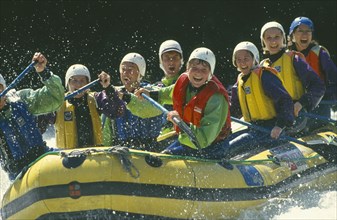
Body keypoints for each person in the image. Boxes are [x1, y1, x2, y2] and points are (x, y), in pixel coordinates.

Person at [133, 47, 232, 159]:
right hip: (189, 139)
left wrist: (180, 122)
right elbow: (167, 93)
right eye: (194, 68)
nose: (198, 73)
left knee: (167, 158)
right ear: (187, 69)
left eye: (204, 69)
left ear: (210, 73)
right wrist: (151, 93)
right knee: (161, 157)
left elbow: (203, 140)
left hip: (213, 146)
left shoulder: (215, 98)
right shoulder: (184, 82)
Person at [0, 52, 64, 180]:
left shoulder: (21, 99)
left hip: (42, 157)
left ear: (4, 88)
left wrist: (43, 72)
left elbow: (55, 98)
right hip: (18, 175)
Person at [228, 41, 295, 157]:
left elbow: (285, 100)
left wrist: (280, 125)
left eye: (246, 58)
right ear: (235, 62)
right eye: (238, 59)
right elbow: (234, 110)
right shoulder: (239, 83)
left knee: (229, 148)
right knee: (227, 143)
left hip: (270, 128)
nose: (242, 62)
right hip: (254, 128)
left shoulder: (265, 76)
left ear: (255, 59)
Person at [259, 21, 325, 135]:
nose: (273, 41)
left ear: (283, 39)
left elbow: (318, 86)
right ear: (263, 41)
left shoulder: (294, 59)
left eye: (277, 37)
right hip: (273, 118)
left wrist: (301, 103)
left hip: (296, 115)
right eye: (268, 38)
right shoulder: (261, 67)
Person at [101, 53, 164, 151]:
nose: (125, 73)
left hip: (150, 149)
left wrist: (123, 96)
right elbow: (106, 131)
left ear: (140, 73)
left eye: (130, 69)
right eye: (123, 69)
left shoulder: (151, 92)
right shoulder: (114, 94)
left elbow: (145, 108)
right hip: (122, 149)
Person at [287, 16, 337, 129]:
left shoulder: (319, 53)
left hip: (318, 105)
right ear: (292, 36)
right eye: (300, 31)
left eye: (308, 31)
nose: (304, 34)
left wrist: (328, 98)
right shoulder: (286, 57)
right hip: (294, 106)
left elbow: (334, 80)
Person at [54, 64, 118, 149]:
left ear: (88, 83)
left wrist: (108, 87)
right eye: (74, 80)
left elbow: (114, 111)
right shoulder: (58, 103)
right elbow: (42, 121)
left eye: (82, 81)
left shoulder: (96, 98)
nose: (79, 84)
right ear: (68, 83)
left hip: (93, 153)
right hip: (67, 155)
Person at [154, 40, 184, 145]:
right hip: (161, 138)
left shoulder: (188, 83)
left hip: (181, 136)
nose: (171, 62)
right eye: (167, 58)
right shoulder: (155, 87)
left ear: (181, 61)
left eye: (175, 58)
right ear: (161, 61)